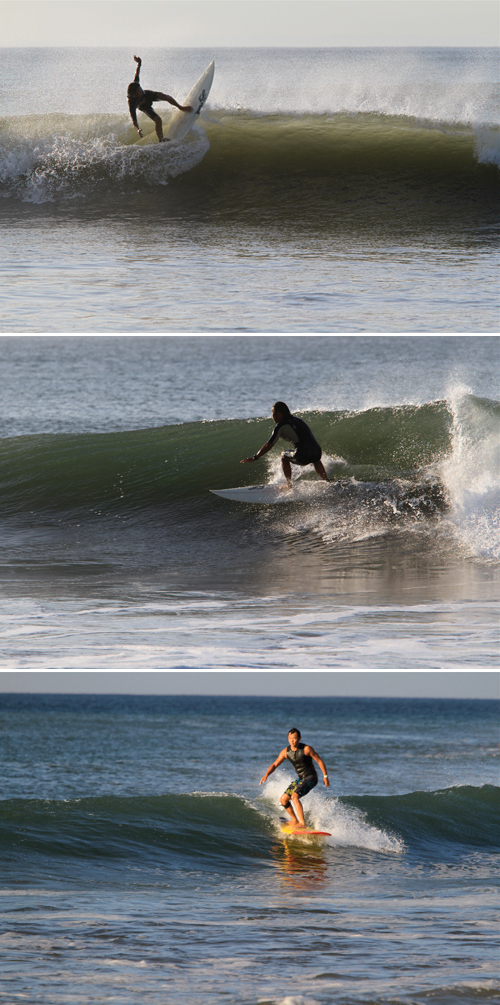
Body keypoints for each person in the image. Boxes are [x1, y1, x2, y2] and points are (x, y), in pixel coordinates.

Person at [241, 402, 329, 488]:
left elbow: (269, 444)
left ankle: (289, 485)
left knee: (283, 455)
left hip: (302, 455)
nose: (272, 417)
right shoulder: (298, 420)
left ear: (279, 413)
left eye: (273, 414)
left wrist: (255, 457)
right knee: (315, 458)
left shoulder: (280, 426)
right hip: (317, 451)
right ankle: (326, 481)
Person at [259, 727, 330, 828]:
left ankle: (302, 823)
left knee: (295, 796)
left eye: (295, 738)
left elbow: (319, 761)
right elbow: (275, 764)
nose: (292, 740)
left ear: (299, 738)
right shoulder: (286, 752)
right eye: (290, 738)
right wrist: (266, 775)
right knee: (283, 800)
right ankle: (295, 820)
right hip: (301, 779)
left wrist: (325, 776)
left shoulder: (306, 749)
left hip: (311, 778)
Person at [127, 55, 193, 143]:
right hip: (144, 105)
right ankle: (161, 140)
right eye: (139, 91)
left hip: (148, 95)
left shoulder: (136, 85)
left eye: (140, 89)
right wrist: (138, 129)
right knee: (158, 120)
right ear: (134, 95)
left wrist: (139, 63)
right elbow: (134, 120)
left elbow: (137, 73)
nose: (141, 91)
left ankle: (181, 107)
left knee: (164, 96)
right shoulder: (132, 103)